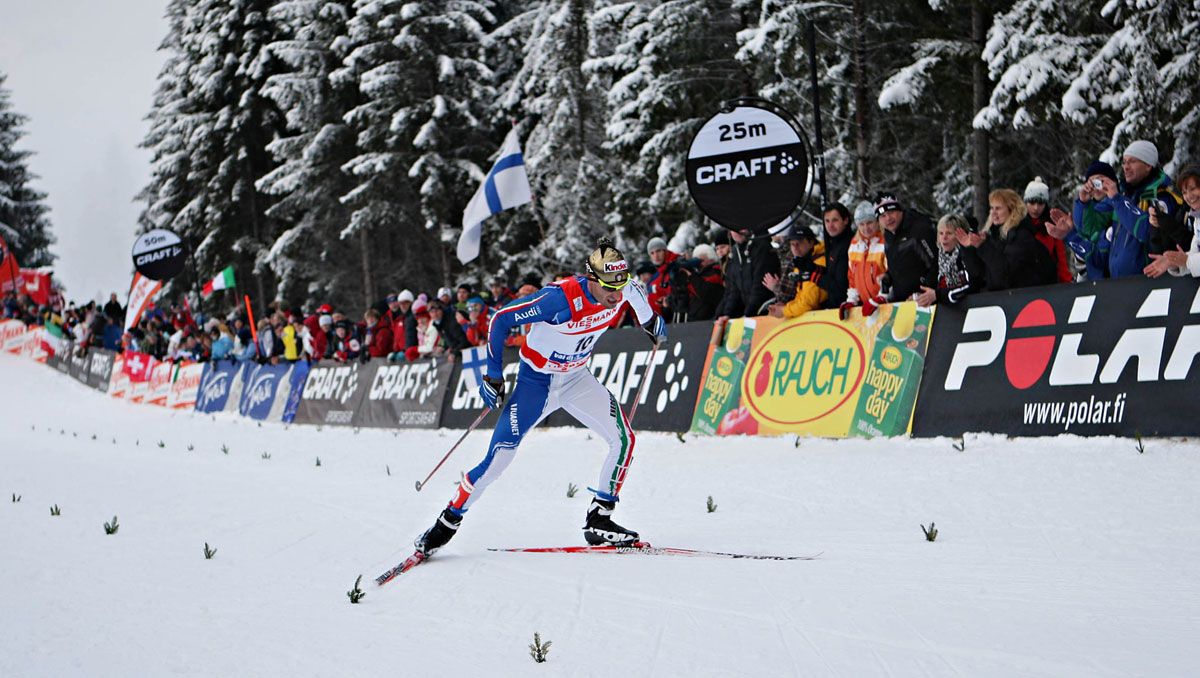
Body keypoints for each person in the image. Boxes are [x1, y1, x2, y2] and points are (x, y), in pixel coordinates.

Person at [411, 237, 668, 558]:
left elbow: (646, 312)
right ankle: (446, 523)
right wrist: (493, 374)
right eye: (609, 290)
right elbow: (500, 320)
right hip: (537, 382)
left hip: (577, 378)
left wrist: (653, 325)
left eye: (621, 287)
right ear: (592, 279)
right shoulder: (558, 299)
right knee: (499, 459)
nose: (617, 297)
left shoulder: (625, 287)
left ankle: (599, 519)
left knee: (625, 440)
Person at [1046, 159, 1147, 279]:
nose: (1097, 187)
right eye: (1092, 183)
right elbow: (1087, 235)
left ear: (1112, 182)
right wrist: (1082, 205)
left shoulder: (1125, 206)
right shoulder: (1088, 209)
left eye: (1100, 181)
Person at [965, 189, 1056, 290]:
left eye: (998, 208)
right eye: (992, 208)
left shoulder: (1022, 236)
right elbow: (980, 275)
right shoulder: (993, 237)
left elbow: (1005, 276)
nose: (993, 213)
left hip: (1031, 298)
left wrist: (983, 247)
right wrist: (968, 247)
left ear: (1012, 210)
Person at [875, 192, 935, 310]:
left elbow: (936, 263)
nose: (888, 219)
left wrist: (921, 294)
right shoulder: (888, 234)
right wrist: (887, 276)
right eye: (883, 216)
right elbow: (901, 265)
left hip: (926, 301)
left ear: (900, 211)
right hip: (903, 303)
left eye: (891, 212)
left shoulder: (919, 228)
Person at [915, 214, 985, 306]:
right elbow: (930, 286)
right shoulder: (940, 258)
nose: (944, 238)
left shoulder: (969, 254)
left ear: (961, 235)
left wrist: (938, 295)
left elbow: (972, 286)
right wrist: (919, 296)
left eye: (949, 233)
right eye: (941, 233)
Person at [1146, 164, 1200, 278]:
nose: (1189, 196)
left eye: (1193, 189)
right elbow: (1194, 254)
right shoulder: (1197, 219)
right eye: (1184, 192)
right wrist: (1173, 263)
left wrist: (1187, 261)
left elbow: (1190, 260)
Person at [715, 228, 780, 320]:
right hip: (750, 313)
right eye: (734, 229)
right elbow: (734, 290)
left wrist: (748, 314)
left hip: (766, 311)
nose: (739, 232)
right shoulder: (735, 252)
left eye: (741, 227)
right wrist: (728, 314)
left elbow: (760, 286)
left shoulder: (762, 248)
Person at [841, 201, 889, 319]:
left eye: (869, 223)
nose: (866, 228)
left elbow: (891, 274)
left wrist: (882, 297)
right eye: (861, 224)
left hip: (887, 304)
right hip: (867, 306)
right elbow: (852, 277)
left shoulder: (885, 242)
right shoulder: (854, 245)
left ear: (877, 222)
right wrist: (852, 300)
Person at [766, 226, 826, 319]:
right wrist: (785, 306)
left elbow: (807, 304)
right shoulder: (802, 262)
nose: (795, 248)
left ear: (811, 243)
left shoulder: (818, 262)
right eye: (792, 244)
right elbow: (801, 298)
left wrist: (784, 311)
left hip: (823, 318)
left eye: (800, 243)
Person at [1023, 177, 1072, 283]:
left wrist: (1067, 282)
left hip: (1048, 283)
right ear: (1026, 202)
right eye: (1032, 202)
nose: (1036, 208)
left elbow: (1061, 258)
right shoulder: (1019, 226)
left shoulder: (1051, 226)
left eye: (1040, 203)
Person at [818, 202, 853, 308]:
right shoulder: (834, 243)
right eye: (827, 221)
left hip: (848, 308)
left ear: (845, 220)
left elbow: (840, 288)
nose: (830, 225)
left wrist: (817, 278)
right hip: (837, 308)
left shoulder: (849, 245)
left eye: (835, 220)